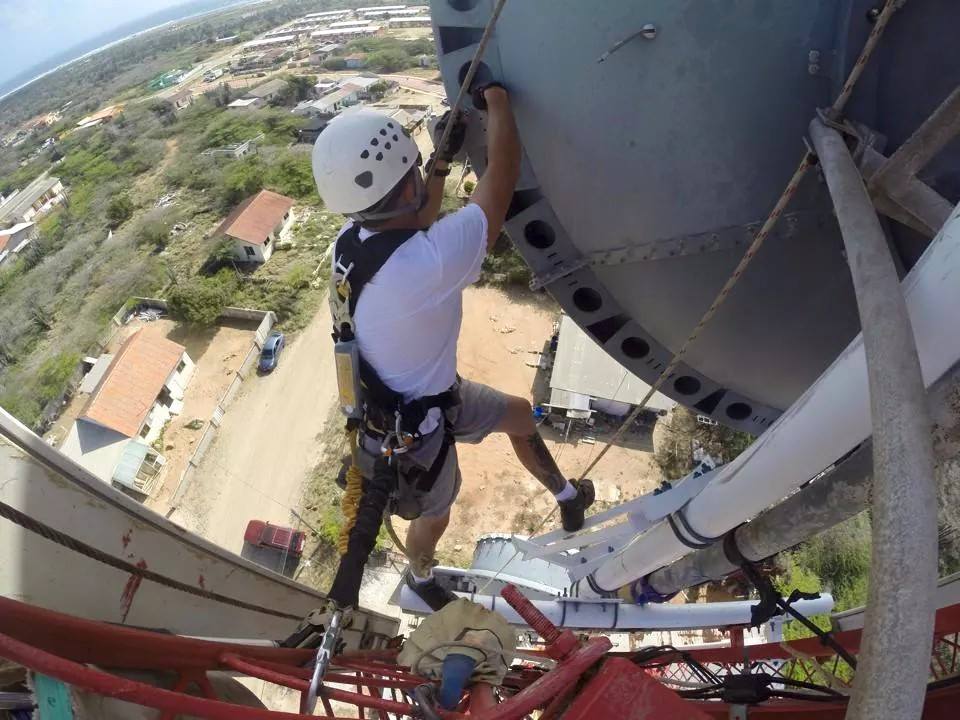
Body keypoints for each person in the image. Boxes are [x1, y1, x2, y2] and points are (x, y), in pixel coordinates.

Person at [311, 84, 594, 612]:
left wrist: (437, 167)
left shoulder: (352, 243)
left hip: (417, 399)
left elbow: (412, 219)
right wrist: (499, 102)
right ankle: (420, 573)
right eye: (417, 171)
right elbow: (501, 178)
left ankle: (567, 497)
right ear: (405, 185)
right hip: (416, 430)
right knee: (435, 512)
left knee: (520, 416)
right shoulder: (428, 264)